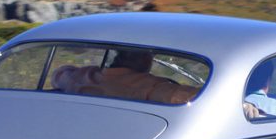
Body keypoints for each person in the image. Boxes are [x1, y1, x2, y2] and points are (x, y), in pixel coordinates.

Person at [52, 48, 197, 104]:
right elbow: (179, 96)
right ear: (145, 59)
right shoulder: (148, 86)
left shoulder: (83, 76)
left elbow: (58, 75)